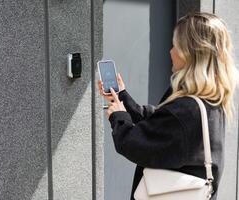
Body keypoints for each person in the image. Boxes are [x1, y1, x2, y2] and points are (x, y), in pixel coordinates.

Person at [98, 12, 239, 200]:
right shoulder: (209, 101)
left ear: (190, 53)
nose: (170, 51)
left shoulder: (186, 110)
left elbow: (136, 144)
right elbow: (159, 123)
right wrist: (122, 98)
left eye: (176, 46)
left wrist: (118, 117)